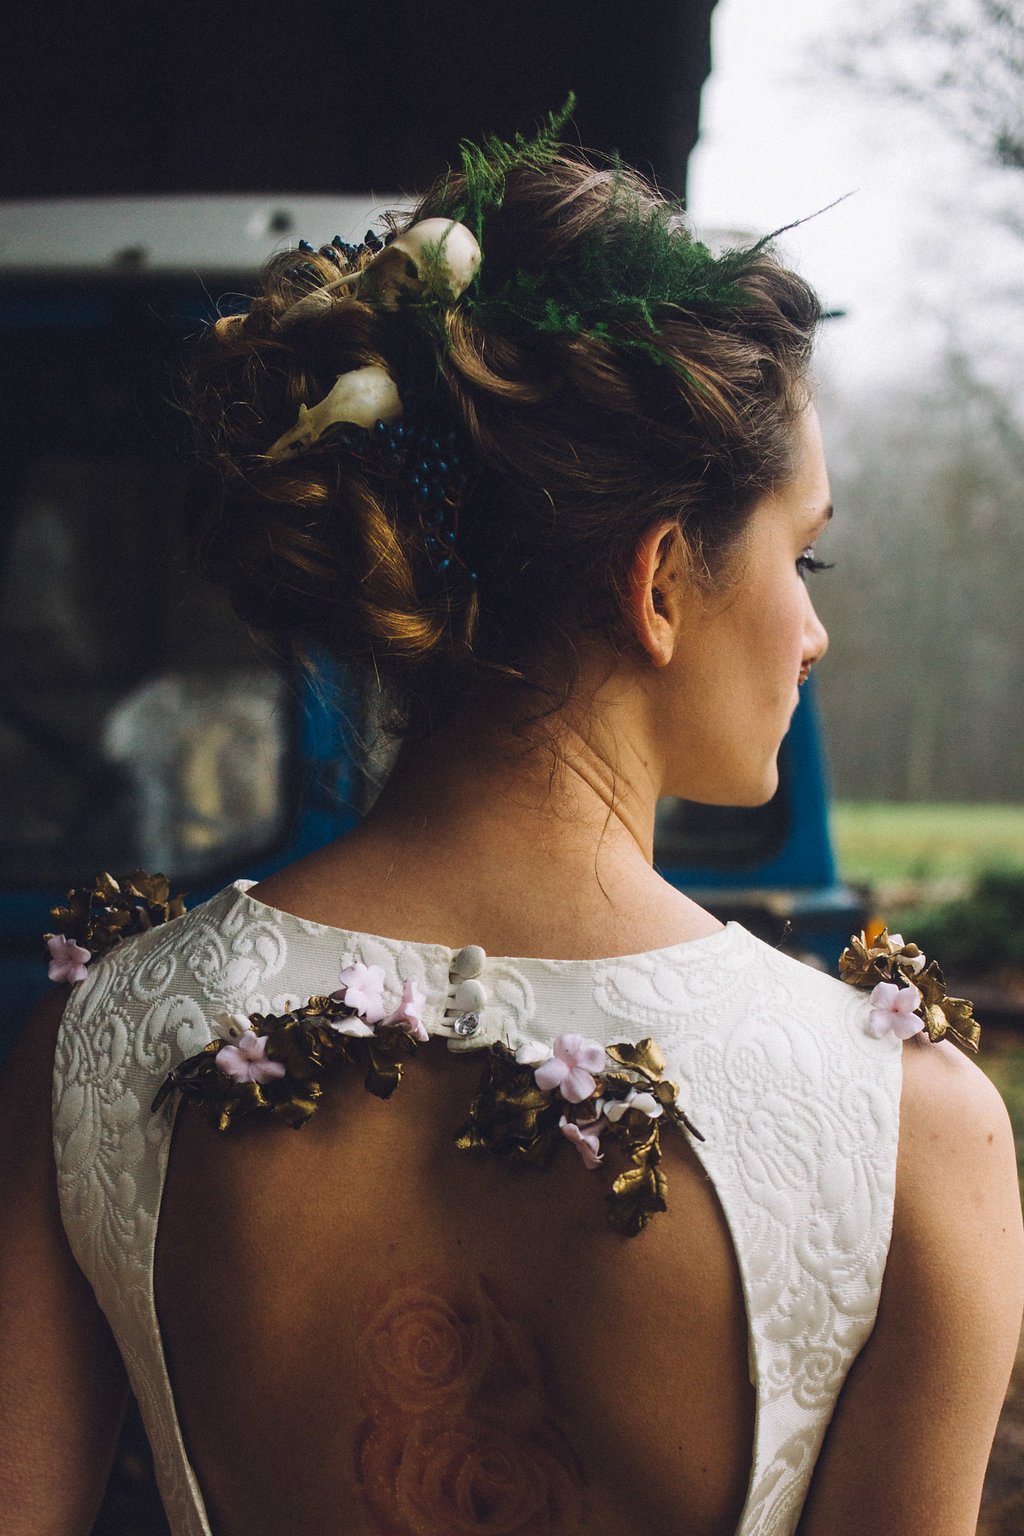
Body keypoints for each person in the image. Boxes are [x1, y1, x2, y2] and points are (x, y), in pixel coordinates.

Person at [1, 124, 1022, 1536]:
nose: (815, 629)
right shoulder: (908, 1133)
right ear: (661, 580)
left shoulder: (102, 1044)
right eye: (807, 552)